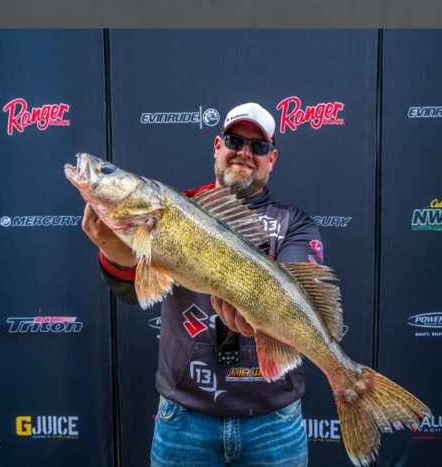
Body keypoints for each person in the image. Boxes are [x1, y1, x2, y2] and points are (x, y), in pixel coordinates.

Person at [82, 102, 325, 466]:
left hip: (273, 420)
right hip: (184, 419)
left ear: (271, 158)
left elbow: (296, 294)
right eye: (235, 141)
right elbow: (133, 289)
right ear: (217, 146)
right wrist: (113, 248)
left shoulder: (295, 224)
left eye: (258, 146)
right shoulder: (179, 208)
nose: (244, 152)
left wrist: (257, 311)